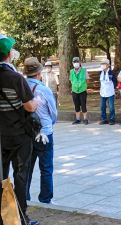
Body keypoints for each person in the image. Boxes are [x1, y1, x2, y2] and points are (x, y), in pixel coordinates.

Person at [0, 35, 39, 225]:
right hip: (20, 136)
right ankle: (21, 217)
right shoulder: (15, 78)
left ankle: (3, 216)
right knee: (21, 175)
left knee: (1, 176)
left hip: (1, 136)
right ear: (9, 54)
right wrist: (38, 100)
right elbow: (30, 106)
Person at [24, 57, 57, 205]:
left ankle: (24, 196)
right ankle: (45, 199)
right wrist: (50, 124)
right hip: (44, 133)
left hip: (27, 133)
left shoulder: (21, 88)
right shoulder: (44, 90)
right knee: (46, 168)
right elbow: (53, 113)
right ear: (39, 73)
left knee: (27, 168)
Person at [69, 57, 89, 125]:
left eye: (77, 62)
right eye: (74, 62)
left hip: (82, 90)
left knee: (83, 105)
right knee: (76, 105)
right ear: (72, 63)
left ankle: (85, 119)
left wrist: (84, 86)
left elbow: (87, 80)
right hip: (74, 91)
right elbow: (71, 80)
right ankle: (77, 119)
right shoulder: (71, 71)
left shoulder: (84, 70)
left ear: (79, 63)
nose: (76, 63)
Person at [99, 59, 117, 125]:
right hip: (102, 92)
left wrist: (113, 88)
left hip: (110, 92)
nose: (102, 65)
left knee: (111, 106)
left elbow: (115, 82)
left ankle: (112, 119)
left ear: (107, 65)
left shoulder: (111, 73)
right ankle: (104, 119)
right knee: (102, 107)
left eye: (104, 64)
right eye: (101, 64)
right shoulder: (100, 73)